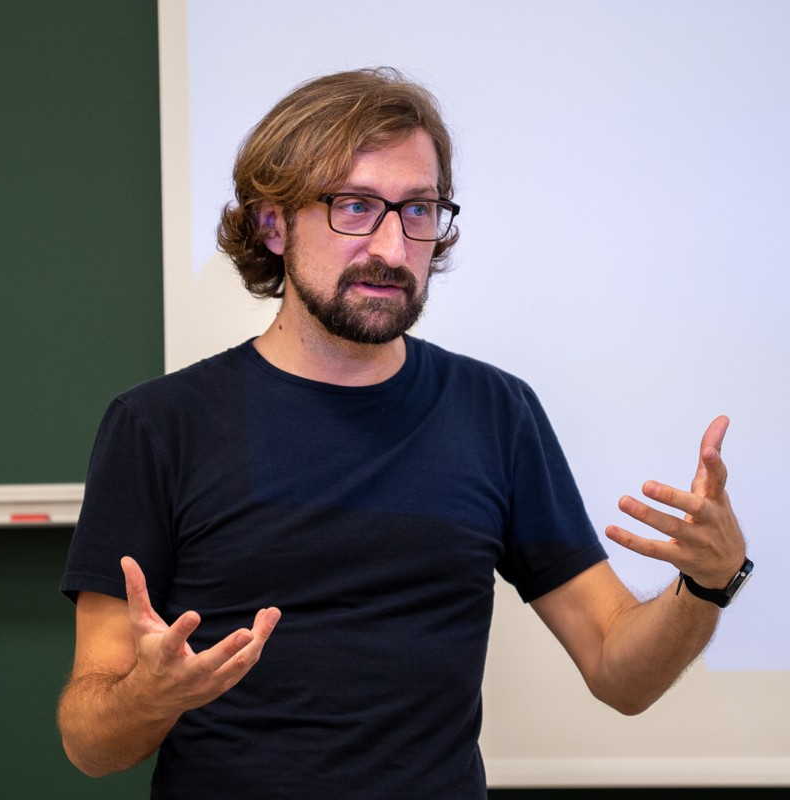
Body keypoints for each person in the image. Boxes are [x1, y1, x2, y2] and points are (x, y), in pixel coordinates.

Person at [57, 67, 750, 799]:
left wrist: (708, 584)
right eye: (355, 207)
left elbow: (619, 671)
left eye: (418, 210)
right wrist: (151, 696)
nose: (392, 247)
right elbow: (90, 745)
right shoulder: (159, 427)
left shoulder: (495, 412)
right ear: (273, 224)